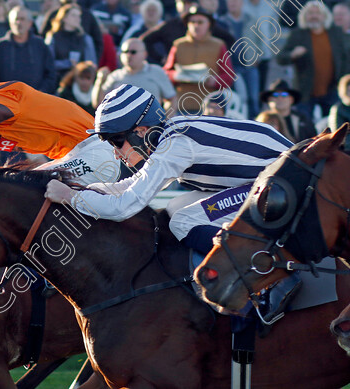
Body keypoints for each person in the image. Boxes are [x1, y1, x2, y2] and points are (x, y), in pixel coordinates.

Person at [43, 84, 301, 322]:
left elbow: (124, 207)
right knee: (175, 208)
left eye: (116, 140)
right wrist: (82, 189)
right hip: (270, 178)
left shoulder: (174, 146)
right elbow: (132, 186)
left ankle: (267, 275)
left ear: (140, 131)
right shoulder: (169, 135)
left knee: (183, 219)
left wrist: (70, 197)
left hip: (279, 184)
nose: (114, 151)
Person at [275, 0, 345, 116]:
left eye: (317, 13)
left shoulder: (335, 33)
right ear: (304, 16)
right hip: (305, 92)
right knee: (305, 128)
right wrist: (293, 54)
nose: (314, 16)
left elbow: (343, 57)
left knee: (332, 129)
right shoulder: (298, 34)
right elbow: (280, 58)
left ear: (324, 16)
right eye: (310, 13)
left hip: (331, 90)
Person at [163, 7, 232, 115]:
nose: (196, 25)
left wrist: (214, 80)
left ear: (208, 24)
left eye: (200, 22)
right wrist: (175, 75)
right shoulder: (178, 45)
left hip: (208, 109)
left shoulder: (218, 45)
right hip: (182, 106)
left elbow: (229, 76)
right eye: (192, 22)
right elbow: (165, 73)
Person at [92, 37, 175, 114]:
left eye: (133, 52)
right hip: (122, 127)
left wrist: (164, 122)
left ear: (145, 54)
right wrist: (99, 81)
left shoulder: (156, 72)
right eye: (125, 52)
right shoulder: (115, 76)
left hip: (150, 126)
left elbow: (172, 99)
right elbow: (98, 104)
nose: (128, 55)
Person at [0, 6, 57, 94]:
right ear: (10, 23)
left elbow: (51, 75)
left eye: (22, 19)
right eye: (16, 19)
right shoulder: (0, 46)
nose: (19, 22)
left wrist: (40, 92)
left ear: (30, 23)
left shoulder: (40, 45)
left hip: (36, 100)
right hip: (6, 102)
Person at [45, 4, 97, 81]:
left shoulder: (85, 39)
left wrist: (80, 66)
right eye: (73, 15)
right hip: (56, 79)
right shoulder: (53, 37)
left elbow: (91, 64)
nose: (77, 19)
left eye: (79, 16)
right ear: (64, 18)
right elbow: (47, 63)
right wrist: (67, 63)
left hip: (79, 81)